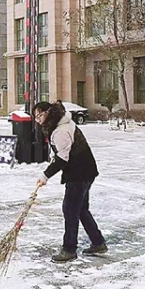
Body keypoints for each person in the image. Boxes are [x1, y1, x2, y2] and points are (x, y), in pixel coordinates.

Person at [33, 101, 107, 263]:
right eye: (35, 117)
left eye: (39, 115)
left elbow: (62, 158)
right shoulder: (60, 123)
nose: (37, 119)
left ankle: (69, 249)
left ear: (47, 112)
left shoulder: (61, 130)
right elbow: (63, 152)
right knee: (80, 209)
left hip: (79, 173)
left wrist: (45, 175)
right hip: (84, 170)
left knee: (70, 209)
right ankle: (98, 242)